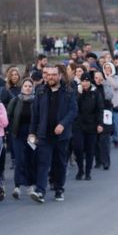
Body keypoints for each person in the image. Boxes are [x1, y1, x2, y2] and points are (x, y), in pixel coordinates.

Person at [27, 66, 77, 203]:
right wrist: (32, 133)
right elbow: (35, 114)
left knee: (59, 163)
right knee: (43, 163)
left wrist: (62, 124)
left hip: (62, 136)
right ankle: (40, 191)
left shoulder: (68, 91)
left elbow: (73, 111)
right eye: (48, 75)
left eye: (54, 75)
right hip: (44, 135)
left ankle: (59, 189)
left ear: (59, 76)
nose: (50, 77)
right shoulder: (40, 91)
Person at [73, 74, 104, 181]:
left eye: (87, 81)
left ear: (90, 82)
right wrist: (79, 95)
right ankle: (80, 169)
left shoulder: (95, 93)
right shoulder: (77, 92)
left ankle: (87, 172)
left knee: (90, 149)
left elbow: (100, 109)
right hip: (78, 125)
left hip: (92, 124)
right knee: (78, 148)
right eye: (83, 81)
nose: (85, 83)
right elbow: (73, 106)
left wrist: (100, 124)